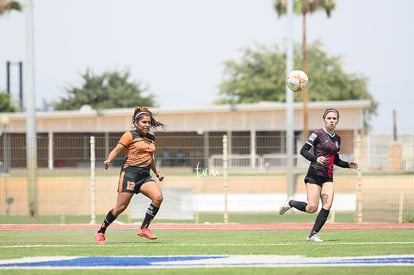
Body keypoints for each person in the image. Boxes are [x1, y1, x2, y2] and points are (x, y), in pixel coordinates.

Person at [279, 108, 358, 242]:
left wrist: (347, 165)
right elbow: (303, 151)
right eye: (329, 118)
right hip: (314, 174)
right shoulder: (317, 134)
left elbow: (336, 159)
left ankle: (312, 234)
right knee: (312, 208)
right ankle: (291, 203)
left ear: (337, 121)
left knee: (327, 205)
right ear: (324, 120)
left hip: (328, 177)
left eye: (334, 118)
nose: (331, 121)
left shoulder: (337, 139)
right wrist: (315, 158)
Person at [95, 106, 165, 245]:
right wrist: (109, 159)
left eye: (148, 122)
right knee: (120, 208)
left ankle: (144, 228)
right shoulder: (129, 134)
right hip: (130, 175)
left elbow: (150, 157)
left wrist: (156, 171)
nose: (147, 125)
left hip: (145, 175)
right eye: (144, 122)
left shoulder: (151, 137)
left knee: (158, 197)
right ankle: (101, 231)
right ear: (136, 122)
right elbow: (117, 149)